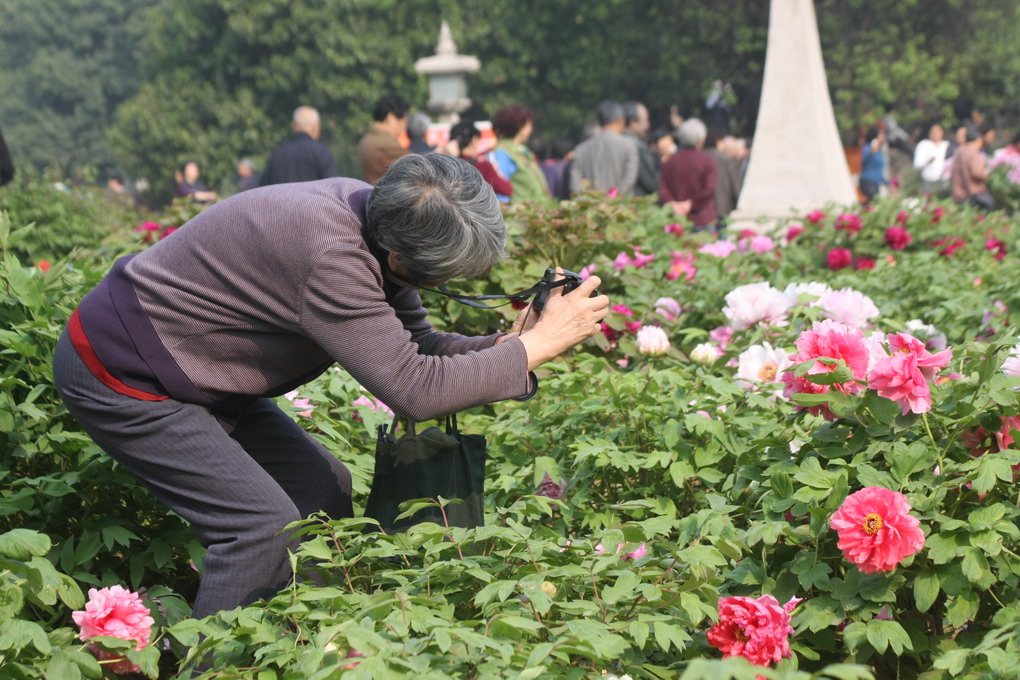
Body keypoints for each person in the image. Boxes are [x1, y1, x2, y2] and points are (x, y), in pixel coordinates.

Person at [52, 153, 610, 620]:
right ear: (399, 260)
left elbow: (418, 349)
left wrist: (512, 342)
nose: (448, 286)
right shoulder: (331, 255)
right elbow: (415, 389)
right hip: (125, 371)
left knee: (320, 492)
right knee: (259, 530)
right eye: (446, 278)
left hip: (199, 372)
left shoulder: (377, 212)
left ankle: (306, 640)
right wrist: (532, 350)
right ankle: (213, 667)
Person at [569, 100, 639, 196]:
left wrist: (588, 201)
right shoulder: (629, 145)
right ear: (620, 120)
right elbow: (629, 179)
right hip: (620, 208)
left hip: (589, 209)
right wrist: (612, 197)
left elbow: (574, 186)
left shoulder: (580, 149)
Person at [658, 118, 716, 230]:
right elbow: (709, 188)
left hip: (676, 219)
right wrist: (690, 204)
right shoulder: (707, 161)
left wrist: (673, 204)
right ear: (702, 140)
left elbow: (663, 188)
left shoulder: (670, 161)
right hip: (701, 218)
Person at [260, 107, 338, 186]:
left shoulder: (278, 153)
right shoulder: (321, 152)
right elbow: (332, 186)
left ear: (293, 126)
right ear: (315, 127)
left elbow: (263, 188)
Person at [487, 105, 549, 204]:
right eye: (529, 124)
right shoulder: (502, 152)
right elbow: (500, 189)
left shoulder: (523, 150)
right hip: (520, 214)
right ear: (519, 125)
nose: (531, 129)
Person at [450, 119, 513, 197]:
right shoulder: (482, 166)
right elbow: (507, 190)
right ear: (474, 139)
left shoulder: (447, 165)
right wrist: (498, 172)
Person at [358, 94, 411, 184]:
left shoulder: (368, 139)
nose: (403, 128)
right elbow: (417, 164)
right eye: (403, 122)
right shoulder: (384, 144)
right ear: (391, 118)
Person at [704, 129, 742, 227]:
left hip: (703, 208)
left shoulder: (699, 157)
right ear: (718, 141)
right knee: (723, 238)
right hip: (723, 206)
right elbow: (734, 183)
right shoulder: (726, 158)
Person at [951, 124, 993, 209]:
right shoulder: (973, 151)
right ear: (978, 139)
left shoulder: (959, 150)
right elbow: (977, 173)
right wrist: (987, 175)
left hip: (958, 193)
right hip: (972, 194)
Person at [623, 101, 660, 197]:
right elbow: (652, 183)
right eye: (645, 121)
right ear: (632, 123)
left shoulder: (616, 141)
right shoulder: (637, 146)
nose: (647, 125)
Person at [913, 123, 950, 194]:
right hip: (928, 180)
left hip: (944, 181)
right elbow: (917, 165)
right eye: (933, 131)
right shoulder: (923, 145)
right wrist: (928, 161)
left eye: (938, 131)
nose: (935, 133)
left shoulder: (947, 145)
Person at [858, 126, 888, 204]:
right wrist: (870, 152)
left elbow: (878, 172)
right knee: (874, 202)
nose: (883, 137)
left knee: (875, 203)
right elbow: (863, 162)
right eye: (881, 134)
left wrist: (888, 183)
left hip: (875, 183)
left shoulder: (879, 152)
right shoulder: (868, 147)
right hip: (867, 181)